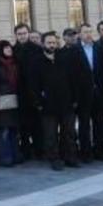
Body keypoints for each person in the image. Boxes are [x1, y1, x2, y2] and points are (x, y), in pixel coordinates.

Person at [32, 32, 80, 170]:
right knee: (50, 134)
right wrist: (38, 103)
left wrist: (75, 98)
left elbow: (73, 80)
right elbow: (33, 85)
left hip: (67, 102)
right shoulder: (37, 61)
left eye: (54, 43)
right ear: (43, 44)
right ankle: (54, 158)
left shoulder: (65, 58)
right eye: (49, 43)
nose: (52, 45)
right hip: (47, 105)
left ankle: (70, 156)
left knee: (69, 132)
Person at [77, 24, 103, 161]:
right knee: (84, 124)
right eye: (85, 32)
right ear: (79, 34)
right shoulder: (74, 50)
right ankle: (85, 153)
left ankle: (99, 150)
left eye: (90, 32)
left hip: (98, 92)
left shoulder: (100, 48)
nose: (88, 35)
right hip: (83, 94)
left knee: (99, 123)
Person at [0, 40, 22, 166]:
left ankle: (15, 155)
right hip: (2, 103)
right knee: (4, 130)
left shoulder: (14, 63)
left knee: (13, 130)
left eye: (10, 48)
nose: (9, 50)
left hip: (14, 101)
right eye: (6, 48)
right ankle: (5, 157)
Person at [13, 23, 44, 160]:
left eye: (24, 33)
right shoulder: (12, 50)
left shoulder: (37, 49)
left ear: (28, 34)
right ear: (16, 35)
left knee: (37, 123)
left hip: (35, 91)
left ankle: (39, 150)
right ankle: (25, 150)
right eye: (19, 34)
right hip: (19, 92)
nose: (22, 36)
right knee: (23, 125)